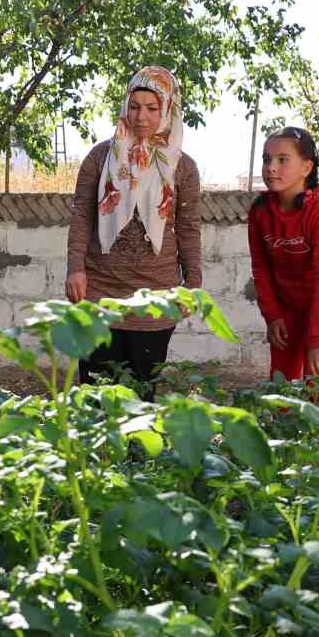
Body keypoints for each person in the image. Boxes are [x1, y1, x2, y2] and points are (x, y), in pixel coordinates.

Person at [65, 65, 202, 395]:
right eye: (135, 106)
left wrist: (193, 283)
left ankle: (136, 451)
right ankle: (97, 450)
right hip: (99, 293)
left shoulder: (182, 167)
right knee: (96, 393)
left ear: (167, 109)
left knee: (142, 394)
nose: (141, 116)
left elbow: (188, 227)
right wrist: (75, 269)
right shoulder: (100, 158)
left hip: (156, 297)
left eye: (152, 108)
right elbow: (82, 216)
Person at [248, 127, 319, 382]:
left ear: (306, 167)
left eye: (282, 160)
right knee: (281, 379)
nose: (271, 167)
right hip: (288, 297)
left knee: (317, 377)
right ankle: (281, 423)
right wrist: (273, 315)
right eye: (267, 160)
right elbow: (261, 269)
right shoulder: (259, 212)